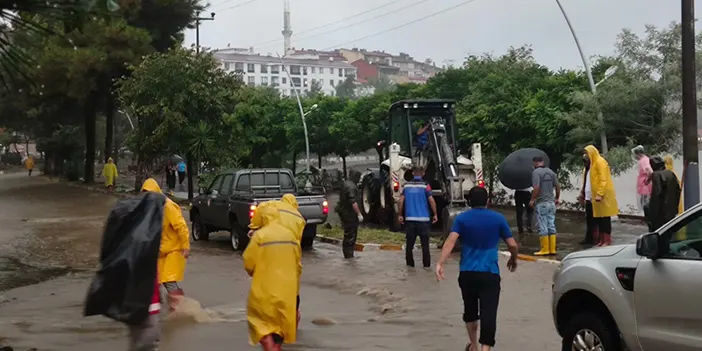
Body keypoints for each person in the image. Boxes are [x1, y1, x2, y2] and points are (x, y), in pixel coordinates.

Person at [435, 186, 519, 351]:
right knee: (489, 313)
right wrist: (514, 258)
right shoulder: (498, 219)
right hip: (489, 273)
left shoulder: (462, 219)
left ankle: (473, 344)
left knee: (470, 311)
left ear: (469, 202)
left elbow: (450, 242)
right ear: (488, 201)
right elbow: (512, 244)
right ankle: (484, 349)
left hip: (467, 273)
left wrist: (440, 263)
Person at [244, 205, 301, 351]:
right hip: (287, 292)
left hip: (265, 291)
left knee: (260, 325)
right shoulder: (291, 236)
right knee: (279, 329)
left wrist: (253, 272)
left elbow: (249, 262)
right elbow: (298, 265)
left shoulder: (261, 236)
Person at [248, 194, 305, 326]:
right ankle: (293, 315)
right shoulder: (300, 218)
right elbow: (298, 243)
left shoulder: (270, 205)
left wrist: (254, 227)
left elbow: (259, 211)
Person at [141, 178, 191, 312]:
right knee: (154, 281)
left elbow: (182, 227)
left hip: (175, 250)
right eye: (145, 194)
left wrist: (186, 247)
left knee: (169, 280)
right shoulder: (152, 208)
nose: (148, 196)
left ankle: (180, 310)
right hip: (161, 252)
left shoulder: (168, 206)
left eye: (149, 193)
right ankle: (157, 308)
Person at [398, 165, 438, 268]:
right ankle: (426, 266)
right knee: (425, 246)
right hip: (424, 220)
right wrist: (435, 214)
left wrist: (400, 214)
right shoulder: (425, 185)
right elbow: (431, 201)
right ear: (423, 173)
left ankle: (410, 266)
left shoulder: (406, 186)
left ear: (412, 173)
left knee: (409, 245)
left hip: (410, 220)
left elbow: (401, 200)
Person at [584, 145, 618, 247]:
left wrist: (600, 193)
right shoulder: (593, 164)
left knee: (605, 219)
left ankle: (607, 240)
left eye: (587, 153)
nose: (586, 155)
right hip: (595, 197)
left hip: (603, 196)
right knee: (598, 219)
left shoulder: (600, 162)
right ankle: (602, 240)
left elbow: (603, 179)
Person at [529, 156, 560, 256]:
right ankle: (552, 249)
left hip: (542, 203)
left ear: (535, 163)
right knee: (551, 225)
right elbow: (558, 186)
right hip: (551, 203)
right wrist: (557, 198)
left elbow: (536, 188)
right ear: (542, 162)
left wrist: (532, 199)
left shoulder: (536, 173)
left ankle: (544, 249)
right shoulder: (551, 172)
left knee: (543, 226)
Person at [648, 156, 681, 231]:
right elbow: (678, 190)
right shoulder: (671, 173)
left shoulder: (656, 175)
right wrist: (675, 206)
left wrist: (652, 213)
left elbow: (656, 194)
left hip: (661, 212)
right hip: (671, 210)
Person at [336, 177, 364, 259]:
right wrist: (359, 214)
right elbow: (353, 202)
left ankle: (348, 254)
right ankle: (349, 255)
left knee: (348, 234)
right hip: (350, 215)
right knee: (351, 235)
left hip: (345, 214)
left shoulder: (346, 184)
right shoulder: (351, 187)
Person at [577, 155, 598, 245]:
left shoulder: (594, 169)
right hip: (588, 197)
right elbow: (585, 183)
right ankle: (589, 238)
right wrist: (582, 193)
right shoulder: (586, 170)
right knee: (589, 219)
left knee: (595, 220)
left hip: (594, 197)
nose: (585, 164)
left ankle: (595, 238)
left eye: (586, 162)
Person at [632, 145, 653, 225]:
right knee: (645, 204)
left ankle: (648, 220)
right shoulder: (645, 160)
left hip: (645, 187)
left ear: (638, 154)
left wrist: (646, 181)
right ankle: (647, 219)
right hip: (644, 186)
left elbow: (650, 172)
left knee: (646, 204)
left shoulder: (643, 161)